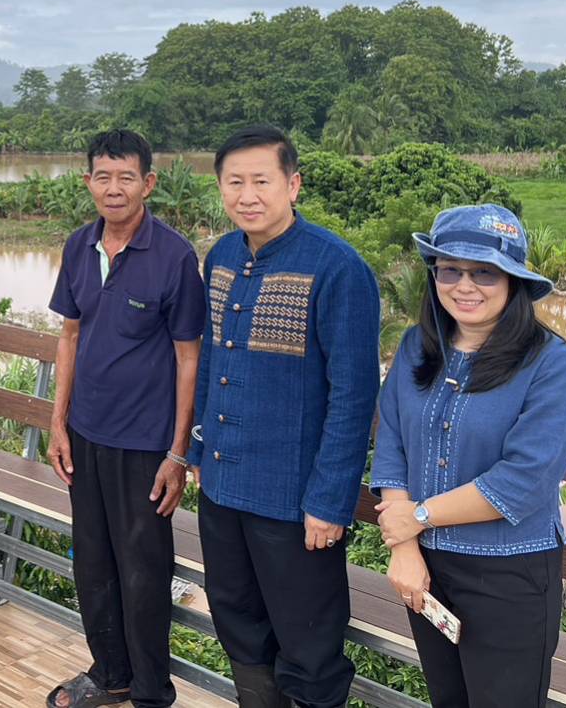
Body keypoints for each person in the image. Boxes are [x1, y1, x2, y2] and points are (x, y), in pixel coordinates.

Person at [189, 124, 380, 708]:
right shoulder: (220, 256)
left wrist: (330, 500)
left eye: (262, 181)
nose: (247, 195)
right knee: (239, 624)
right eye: (234, 182)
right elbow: (210, 361)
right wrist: (198, 452)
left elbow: (353, 394)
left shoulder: (337, 267)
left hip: (295, 504)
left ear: (293, 185)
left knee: (309, 642)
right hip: (223, 490)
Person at [371, 204, 566, 708]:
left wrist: (417, 518)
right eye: (451, 269)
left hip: (508, 573)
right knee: (449, 698)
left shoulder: (551, 364)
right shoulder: (415, 348)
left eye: (484, 272)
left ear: (513, 280)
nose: (464, 285)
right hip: (425, 566)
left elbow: (524, 481)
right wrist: (404, 548)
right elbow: (393, 444)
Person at [44, 129, 207, 708]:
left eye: (126, 177)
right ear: (87, 181)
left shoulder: (174, 257)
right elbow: (69, 335)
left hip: (144, 446)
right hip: (85, 434)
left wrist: (177, 452)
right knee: (92, 562)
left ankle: (151, 692)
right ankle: (109, 674)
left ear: (148, 183)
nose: (114, 189)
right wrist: (58, 423)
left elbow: (190, 358)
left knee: (143, 574)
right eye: (103, 177)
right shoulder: (77, 246)